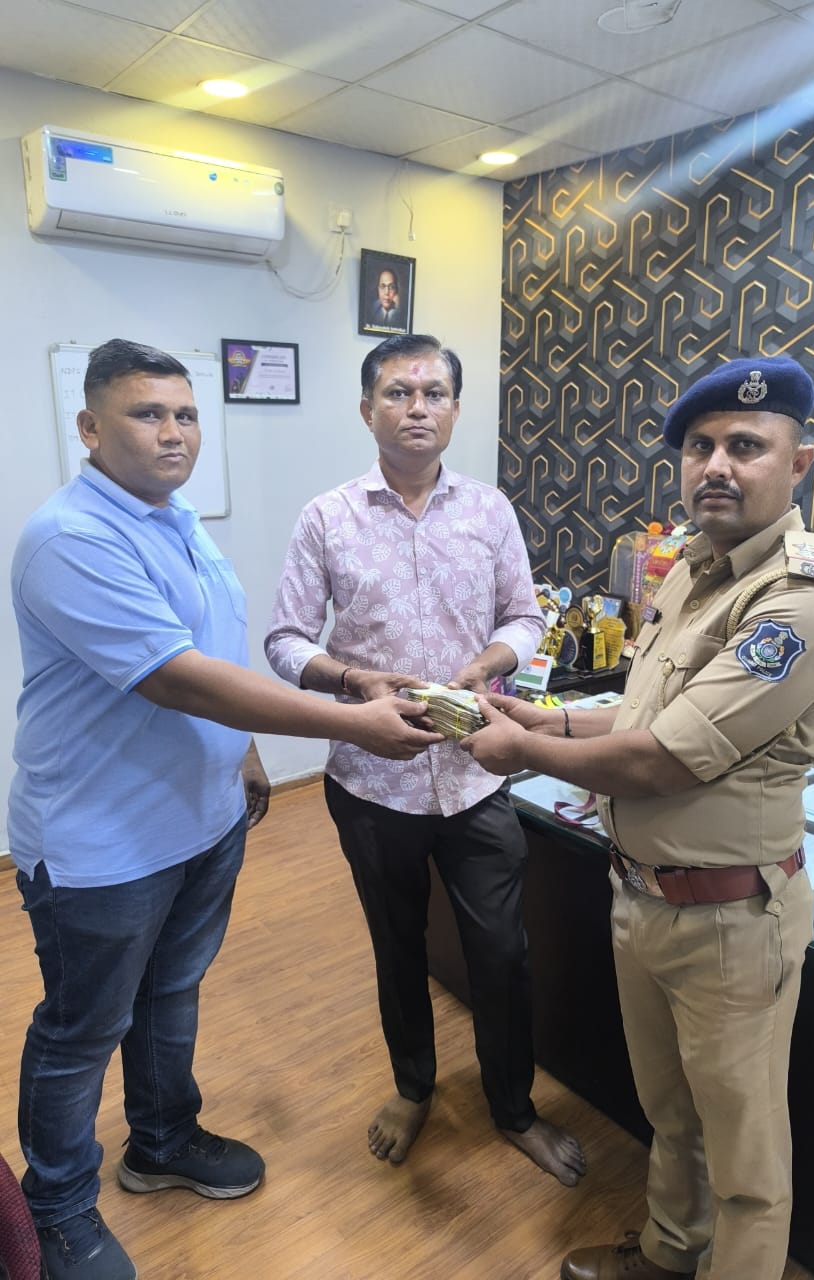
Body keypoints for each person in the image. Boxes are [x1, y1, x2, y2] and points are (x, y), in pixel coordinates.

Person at [8, 338, 442, 1280]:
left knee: (171, 993)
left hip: (198, 820)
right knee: (82, 1028)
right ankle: (56, 1208)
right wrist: (353, 722)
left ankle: (162, 1140)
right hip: (102, 843)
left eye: (186, 414)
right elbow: (176, 677)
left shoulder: (175, 519)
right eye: (146, 414)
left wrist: (241, 749)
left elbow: (210, 649)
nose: (174, 433)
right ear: (89, 428)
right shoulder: (71, 538)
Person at [459, 356, 814, 1280]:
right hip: (644, 899)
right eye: (700, 446)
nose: (717, 465)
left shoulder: (796, 605)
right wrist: (546, 719)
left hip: (731, 921)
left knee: (746, 1161)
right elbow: (642, 715)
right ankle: (669, 1255)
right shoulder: (691, 570)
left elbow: (662, 759)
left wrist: (520, 752)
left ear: (798, 464)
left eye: (746, 446)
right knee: (671, 1116)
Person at [265, 333, 586, 1188]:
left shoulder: (489, 510)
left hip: (477, 773)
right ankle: (414, 1089)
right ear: (367, 409)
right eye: (399, 393)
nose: (417, 408)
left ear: (454, 409)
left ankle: (512, 1108)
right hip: (371, 780)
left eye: (434, 393)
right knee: (397, 945)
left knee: (503, 953)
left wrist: (491, 662)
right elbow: (285, 640)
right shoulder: (327, 517)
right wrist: (353, 679)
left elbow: (527, 616)